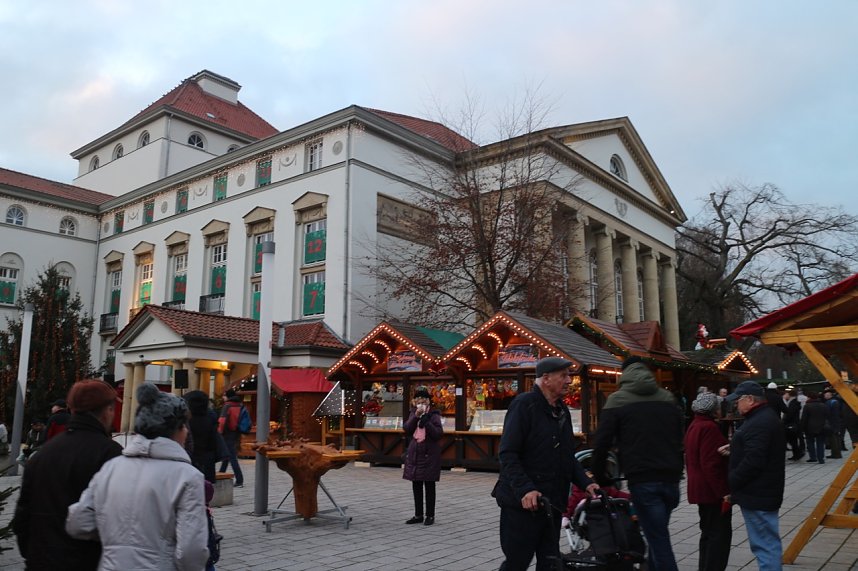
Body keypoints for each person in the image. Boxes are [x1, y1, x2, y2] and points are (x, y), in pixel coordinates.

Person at [66, 383, 209, 569]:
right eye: (184, 426)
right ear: (177, 429)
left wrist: (115, 540)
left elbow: (78, 522)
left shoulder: (111, 467)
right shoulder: (187, 477)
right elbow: (192, 550)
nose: (187, 432)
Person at [493, 357, 598, 571]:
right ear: (546, 378)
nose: (569, 380)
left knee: (550, 562)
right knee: (517, 562)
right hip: (522, 504)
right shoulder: (524, 405)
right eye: (564, 375)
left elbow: (567, 456)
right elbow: (508, 453)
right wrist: (526, 489)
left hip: (553, 503)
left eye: (569, 375)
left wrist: (585, 482)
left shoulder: (561, 410)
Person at [12, 379, 122, 570]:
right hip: (87, 560)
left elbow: (22, 516)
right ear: (107, 411)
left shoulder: (42, 454)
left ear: (72, 409)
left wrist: (32, 554)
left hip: (42, 560)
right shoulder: (111, 454)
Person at [592, 356, 684, 571]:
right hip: (671, 479)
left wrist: (600, 475)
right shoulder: (667, 398)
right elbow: (680, 435)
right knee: (657, 533)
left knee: (658, 538)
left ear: (624, 374)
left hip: (643, 478)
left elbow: (602, 442)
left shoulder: (617, 400)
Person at [724, 380, 786, 570]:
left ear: (750, 399)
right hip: (762, 493)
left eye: (738, 400)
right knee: (765, 543)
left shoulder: (759, 422)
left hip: (759, 494)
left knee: (765, 546)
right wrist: (735, 447)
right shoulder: (762, 418)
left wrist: (731, 481)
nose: (735, 404)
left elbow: (754, 460)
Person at [684, 392, 732, 571]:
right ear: (713, 410)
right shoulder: (709, 428)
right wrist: (724, 492)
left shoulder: (694, 425)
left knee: (707, 533)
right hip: (711, 491)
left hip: (699, 487)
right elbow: (711, 464)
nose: (721, 410)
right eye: (719, 407)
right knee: (718, 536)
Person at [402, 387, 443, 526]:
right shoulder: (413, 413)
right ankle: (418, 514)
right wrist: (415, 417)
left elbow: (438, 434)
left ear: (428, 402)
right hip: (415, 453)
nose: (420, 403)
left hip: (429, 453)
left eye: (423, 401)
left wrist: (427, 422)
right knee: (416, 484)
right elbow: (407, 429)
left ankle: (430, 515)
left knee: (429, 485)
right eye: (418, 400)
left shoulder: (434, 414)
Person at [185, 389, 220, 483]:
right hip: (207, 460)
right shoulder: (211, 417)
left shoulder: (186, 418)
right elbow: (214, 441)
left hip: (189, 460)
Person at [218, 391, 245, 487]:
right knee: (227, 455)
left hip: (227, 433)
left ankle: (239, 480)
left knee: (232, 457)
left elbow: (222, 420)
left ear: (228, 396)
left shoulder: (227, 406)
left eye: (224, 395)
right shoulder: (240, 405)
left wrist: (219, 432)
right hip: (236, 432)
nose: (223, 397)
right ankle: (221, 473)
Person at [801, 392, 830, 464]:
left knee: (810, 443)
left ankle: (813, 457)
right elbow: (828, 416)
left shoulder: (807, 406)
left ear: (809, 398)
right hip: (822, 427)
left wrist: (802, 428)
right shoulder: (823, 405)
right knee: (820, 443)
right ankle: (821, 458)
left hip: (809, 427)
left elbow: (804, 418)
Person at [782, 390, 804, 461]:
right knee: (793, 440)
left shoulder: (792, 403)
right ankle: (797, 454)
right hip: (795, 423)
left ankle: (797, 454)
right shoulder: (795, 402)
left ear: (789, 395)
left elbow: (789, 414)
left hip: (791, 424)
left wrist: (784, 421)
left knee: (792, 440)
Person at [822, 389, 844, 458]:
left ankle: (835, 454)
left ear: (829, 396)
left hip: (832, 423)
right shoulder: (837, 401)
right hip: (838, 422)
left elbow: (827, 413)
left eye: (826, 395)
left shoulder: (829, 402)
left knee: (833, 439)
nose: (825, 396)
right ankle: (838, 453)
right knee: (837, 438)